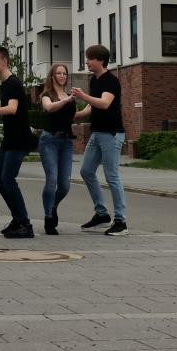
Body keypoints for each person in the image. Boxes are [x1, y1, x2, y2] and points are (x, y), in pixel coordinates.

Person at [73, 44, 128, 236]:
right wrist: (73, 115)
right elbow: (92, 108)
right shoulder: (94, 81)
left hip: (111, 134)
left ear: (101, 60)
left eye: (90, 58)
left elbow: (104, 104)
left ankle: (121, 221)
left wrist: (83, 96)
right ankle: (102, 214)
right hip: (97, 133)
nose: (86, 61)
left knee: (112, 176)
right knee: (86, 171)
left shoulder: (111, 81)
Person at [0, 46, 35, 238]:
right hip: (10, 138)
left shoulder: (13, 83)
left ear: (4, 61)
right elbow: (4, 103)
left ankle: (25, 224)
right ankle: (17, 218)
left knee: (7, 179)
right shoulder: (4, 83)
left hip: (19, 139)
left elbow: (12, 108)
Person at [39, 63, 76, 235]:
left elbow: (72, 116)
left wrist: (92, 107)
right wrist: (67, 100)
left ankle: (53, 206)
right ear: (52, 76)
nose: (62, 76)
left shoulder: (69, 96)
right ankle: (48, 218)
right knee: (52, 179)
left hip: (66, 142)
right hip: (49, 141)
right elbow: (50, 108)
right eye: (58, 73)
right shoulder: (47, 95)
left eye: (64, 73)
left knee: (65, 185)